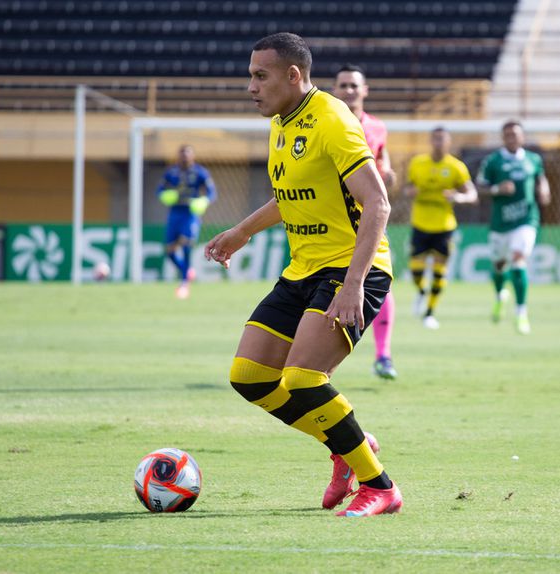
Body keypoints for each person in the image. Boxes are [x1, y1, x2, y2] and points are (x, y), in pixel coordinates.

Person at [205, 32, 402, 517]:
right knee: (249, 376)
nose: (250, 86)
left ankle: (381, 487)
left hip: (354, 268)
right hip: (304, 270)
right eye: (250, 75)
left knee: (303, 378)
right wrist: (242, 231)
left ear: (293, 76)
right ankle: (347, 446)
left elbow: (378, 204)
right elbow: (290, 194)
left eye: (260, 76)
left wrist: (354, 284)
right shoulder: (281, 121)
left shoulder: (333, 120)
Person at [333, 64, 398, 381]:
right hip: (328, 219)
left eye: (353, 85)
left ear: (365, 90)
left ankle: (383, 355)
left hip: (367, 218)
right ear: (334, 89)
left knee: (380, 283)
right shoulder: (327, 124)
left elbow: (382, 160)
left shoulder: (377, 127)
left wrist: (388, 171)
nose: (348, 90)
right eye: (343, 85)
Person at [475, 120, 551, 335]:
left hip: (526, 220)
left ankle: (521, 313)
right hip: (500, 223)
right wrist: (497, 189)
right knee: (499, 266)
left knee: (518, 260)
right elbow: (480, 187)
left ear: (522, 137)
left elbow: (541, 178)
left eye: (515, 134)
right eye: (507, 134)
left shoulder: (533, 159)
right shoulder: (493, 161)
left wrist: (544, 190)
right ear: (503, 137)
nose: (512, 138)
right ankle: (500, 295)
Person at [404, 127, 477, 330]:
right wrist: (410, 191)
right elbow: (405, 188)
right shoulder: (417, 163)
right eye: (435, 139)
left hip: (444, 225)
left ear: (448, 142)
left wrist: (458, 197)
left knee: (439, 271)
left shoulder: (456, 167)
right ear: (430, 141)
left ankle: (429, 313)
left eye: (442, 139)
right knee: (416, 271)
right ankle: (421, 292)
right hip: (420, 223)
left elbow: (472, 194)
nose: (438, 143)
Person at [156, 144, 217, 299]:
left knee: (185, 243)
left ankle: (184, 283)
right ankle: (186, 271)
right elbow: (160, 190)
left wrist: (204, 200)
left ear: (192, 156)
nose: (184, 157)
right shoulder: (171, 172)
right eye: (182, 154)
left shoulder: (200, 173)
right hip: (175, 212)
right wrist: (166, 195)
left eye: (187, 154)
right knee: (170, 250)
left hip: (190, 213)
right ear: (178, 156)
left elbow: (212, 192)